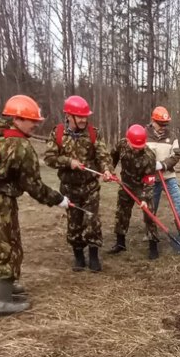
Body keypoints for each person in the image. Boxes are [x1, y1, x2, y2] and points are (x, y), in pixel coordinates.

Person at [0, 95, 70, 315]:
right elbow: (34, 186)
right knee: (9, 247)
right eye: (31, 120)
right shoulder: (20, 145)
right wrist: (59, 199)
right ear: (16, 119)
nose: (35, 125)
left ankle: (8, 285)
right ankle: (2, 301)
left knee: (8, 243)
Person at [43, 95, 114, 272]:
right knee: (74, 223)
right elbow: (49, 159)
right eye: (79, 116)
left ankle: (94, 256)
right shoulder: (57, 133)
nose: (83, 120)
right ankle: (79, 256)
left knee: (92, 220)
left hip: (90, 187)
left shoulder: (93, 133)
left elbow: (103, 155)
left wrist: (107, 170)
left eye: (85, 116)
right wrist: (69, 162)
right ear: (68, 116)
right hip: (68, 188)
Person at [107, 124, 160, 260]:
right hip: (125, 184)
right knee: (122, 213)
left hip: (142, 187)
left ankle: (153, 246)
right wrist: (110, 170)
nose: (137, 150)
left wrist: (145, 198)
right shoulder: (121, 145)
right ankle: (120, 243)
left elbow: (149, 180)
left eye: (139, 147)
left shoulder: (149, 156)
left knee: (149, 215)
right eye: (134, 147)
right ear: (128, 140)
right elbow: (111, 158)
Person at [145, 106, 180, 229]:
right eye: (160, 124)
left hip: (168, 176)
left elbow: (176, 155)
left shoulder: (172, 136)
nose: (163, 127)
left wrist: (163, 165)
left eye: (165, 124)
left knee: (178, 201)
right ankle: (150, 230)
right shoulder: (144, 134)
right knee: (151, 206)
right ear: (153, 121)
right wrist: (150, 165)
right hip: (151, 178)